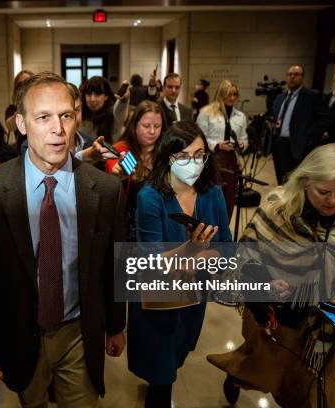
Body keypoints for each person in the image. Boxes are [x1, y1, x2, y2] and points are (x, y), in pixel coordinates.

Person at [0, 72, 126, 407]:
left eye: (66, 115)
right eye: (43, 117)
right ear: (21, 123)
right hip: (20, 332)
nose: (58, 129)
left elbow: (112, 263)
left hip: (78, 332)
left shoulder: (106, 190)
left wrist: (116, 324)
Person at [208, 143, 335, 407]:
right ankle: (239, 375)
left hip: (326, 331)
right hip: (278, 322)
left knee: (314, 394)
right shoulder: (277, 210)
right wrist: (264, 284)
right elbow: (243, 262)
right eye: (323, 191)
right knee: (266, 370)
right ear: (304, 182)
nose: (333, 201)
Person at [131, 121, 231, 407]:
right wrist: (193, 249)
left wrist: (201, 257)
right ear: (168, 158)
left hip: (193, 297)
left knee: (178, 356)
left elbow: (225, 245)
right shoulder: (150, 197)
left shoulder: (211, 193)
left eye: (200, 156)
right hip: (159, 300)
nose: (194, 164)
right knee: (161, 376)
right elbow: (150, 261)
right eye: (184, 157)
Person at [105, 101, 163, 241]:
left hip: (159, 222)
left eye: (157, 126)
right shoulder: (124, 150)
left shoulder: (164, 151)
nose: (152, 131)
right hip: (129, 227)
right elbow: (115, 172)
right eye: (146, 126)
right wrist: (117, 174)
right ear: (134, 125)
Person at [196, 79, 249, 220]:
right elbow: (199, 138)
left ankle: (224, 232)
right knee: (211, 198)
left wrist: (242, 144)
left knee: (228, 200)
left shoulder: (241, 116)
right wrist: (217, 145)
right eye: (228, 94)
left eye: (235, 95)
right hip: (212, 160)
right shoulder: (206, 112)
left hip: (232, 163)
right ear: (221, 94)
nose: (232, 98)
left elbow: (244, 137)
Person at [271, 64, 329, 185]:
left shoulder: (311, 96)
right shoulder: (280, 97)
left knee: (296, 182)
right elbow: (276, 117)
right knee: (281, 179)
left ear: (302, 77)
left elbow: (324, 118)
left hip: (298, 145)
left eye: (296, 74)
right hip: (278, 144)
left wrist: (310, 137)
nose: (292, 77)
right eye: (289, 74)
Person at [80, 75, 130, 142]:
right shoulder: (81, 115)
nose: (92, 99)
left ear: (106, 96)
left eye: (97, 94)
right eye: (89, 94)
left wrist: (123, 100)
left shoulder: (113, 115)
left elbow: (120, 110)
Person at [5, 69, 35, 152]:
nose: (24, 86)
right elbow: (10, 126)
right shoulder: (12, 108)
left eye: (28, 82)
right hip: (23, 151)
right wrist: (22, 105)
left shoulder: (42, 105)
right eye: (20, 84)